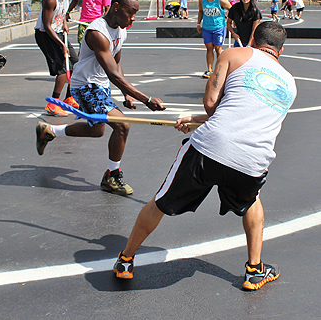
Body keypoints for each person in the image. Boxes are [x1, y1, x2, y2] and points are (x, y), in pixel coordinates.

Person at [113, 21, 297, 292]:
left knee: (160, 202)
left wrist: (201, 118)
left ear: (253, 41)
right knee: (252, 201)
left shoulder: (234, 54)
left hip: (210, 147)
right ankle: (255, 270)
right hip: (253, 159)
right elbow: (245, 114)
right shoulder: (290, 84)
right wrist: (198, 119)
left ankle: (125, 260)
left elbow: (213, 104)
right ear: (280, 51)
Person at [35, 0, 166, 196]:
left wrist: (127, 94)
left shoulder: (122, 29)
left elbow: (116, 63)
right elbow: (114, 74)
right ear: (116, 7)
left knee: (97, 130)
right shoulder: (98, 33)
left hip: (101, 85)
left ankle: (49, 131)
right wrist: (146, 99)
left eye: (135, 13)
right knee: (122, 126)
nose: (133, 18)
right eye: (130, 12)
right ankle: (112, 177)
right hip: (85, 86)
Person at [35, 0, 79, 116]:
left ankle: (68, 98)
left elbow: (63, 14)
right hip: (46, 35)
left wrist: (65, 23)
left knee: (76, 63)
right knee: (62, 68)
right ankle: (53, 103)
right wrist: (62, 44)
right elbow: (47, 26)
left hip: (58, 32)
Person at [197, 0, 232, 78]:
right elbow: (200, 11)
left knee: (218, 48)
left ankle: (219, 69)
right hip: (207, 27)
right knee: (209, 48)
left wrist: (229, 20)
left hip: (218, 27)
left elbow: (231, 8)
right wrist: (198, 24)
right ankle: (209, 70)